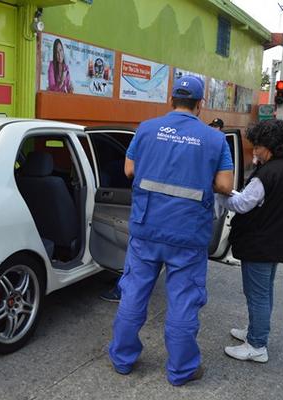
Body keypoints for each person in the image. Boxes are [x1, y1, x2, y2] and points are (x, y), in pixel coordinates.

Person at [108, 75, 234, 386]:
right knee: (183, 301)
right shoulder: (214, 139)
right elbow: (225, 185)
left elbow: (129, 170)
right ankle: (182, 370)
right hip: (188, 234)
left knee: (134, 294)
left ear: (171, 100)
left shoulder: (146, 129)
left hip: (147, 227)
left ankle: (122, 359)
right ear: (200, 104)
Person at [216, 119, 283, 362]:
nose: (254, 151)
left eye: (258, 146)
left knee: (257, 294)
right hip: (279, 241)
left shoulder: (267, 173)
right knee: (264, 292)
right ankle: (256, 331)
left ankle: (256, 345)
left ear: (272, 146)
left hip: (260, 243)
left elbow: (242, 204)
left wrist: (221, 193)